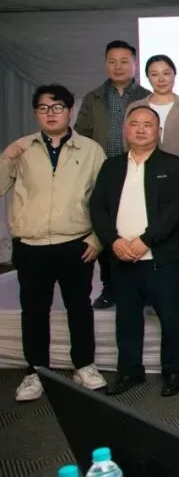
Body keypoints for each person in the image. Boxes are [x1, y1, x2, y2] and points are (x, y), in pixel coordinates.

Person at [3, 84, 107, 402]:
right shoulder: (21, 149)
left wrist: (97, 239)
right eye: (44, 108)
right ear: (36, 113)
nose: (51, 113)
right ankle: (36, 371)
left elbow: (104, 199)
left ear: (70, 111)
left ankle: (84, 365)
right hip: (31, 245)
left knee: (79, 308)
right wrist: (7, 158)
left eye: (58, 107)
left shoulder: (91, 150)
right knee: (34, 311)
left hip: (75, 243)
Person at [89, 106, 179, 397]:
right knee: (127, 320)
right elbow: (97, 207)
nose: (141, 129)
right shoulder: (111, 166)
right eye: (134, 124)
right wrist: (113, 241)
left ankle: (174, 371)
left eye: (148, 124)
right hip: (121, 257)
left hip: (160, 257)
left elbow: (177, 208)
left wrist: (146, 240)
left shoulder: (173, 165)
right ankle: (129, 371)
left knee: (171, 317)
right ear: (125, 130)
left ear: (159, 131)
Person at [74, 40, 151, 310]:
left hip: (137, 171)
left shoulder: (146, 96)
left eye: (124, 61)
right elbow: (81, 135)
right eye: (112, 61)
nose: (118, 67)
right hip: (103, 173)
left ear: (134, 64)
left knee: (137, 228)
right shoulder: (93, 98)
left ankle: (143, 289)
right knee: (106, 230)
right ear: (106, 64)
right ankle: (109, 288)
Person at [128, 55, 179, 314]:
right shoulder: (137, 106)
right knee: (148, 233)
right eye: (154, 73)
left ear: (174, 74)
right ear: (147, 77)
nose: (160, 79)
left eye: (166, 73)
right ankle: (151, 297)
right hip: (143, 179)